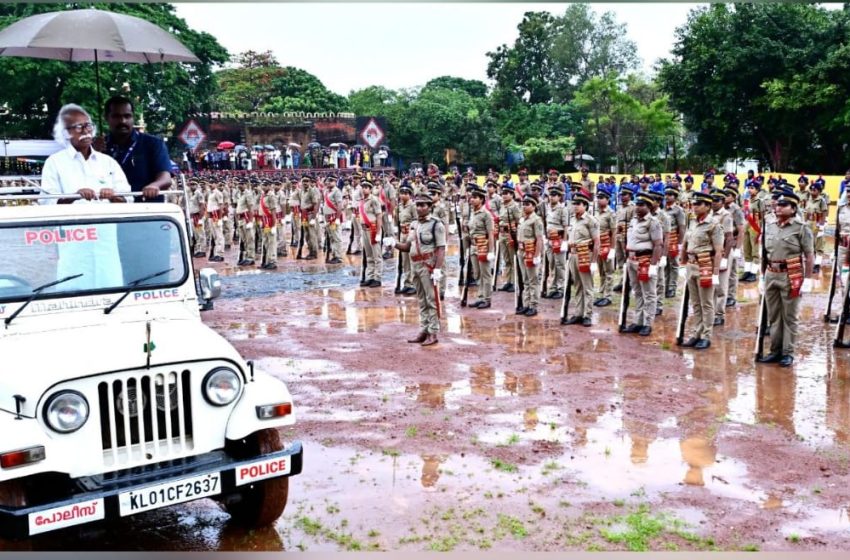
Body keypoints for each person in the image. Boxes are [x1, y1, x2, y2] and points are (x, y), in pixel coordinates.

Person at [756, 190, 815, 367]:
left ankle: (788, 352)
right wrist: (761, 276)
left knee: (789, 315)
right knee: (774, 315)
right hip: (771, 273)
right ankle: (775, 350)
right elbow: (765, 254)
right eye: (778, 204)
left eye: (784, 205)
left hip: (791, 274)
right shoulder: (770, 225)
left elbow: (809, 255)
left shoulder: (801, 228)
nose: (778, 208)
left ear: (794, 208)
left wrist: (808, 279)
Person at [389, 194, 447, 346]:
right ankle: (424, 329)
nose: (420, 208)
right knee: (421, 299)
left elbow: (441, 248)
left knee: (432, 300)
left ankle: (433, 332)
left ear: (430, 207)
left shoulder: (436, 224)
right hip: (415, 265)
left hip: (429, 265)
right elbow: (407, 247)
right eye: (418, 205)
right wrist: (393, 243)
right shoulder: (414, 225)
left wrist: (437, 269)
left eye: (423, 205)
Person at [42, 103, 130, 203]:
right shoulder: (54, 162)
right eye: (78, 127)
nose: (85, 131)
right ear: (65, 133)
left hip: (107, 217)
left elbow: (128, 198)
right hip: (73, 218)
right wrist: (73, 197)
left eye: (88, 125)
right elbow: (47, 200)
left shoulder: (108, 162)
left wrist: (113, 196)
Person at [103, 96, 172, 202]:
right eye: (116, 116)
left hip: (146, 210)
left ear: (133, 117)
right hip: (111, 211)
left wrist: (155, 185)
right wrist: (94, 151)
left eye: (127, 116)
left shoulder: (153, 143)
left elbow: (166, 179)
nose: (123, 121)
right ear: (106, 118)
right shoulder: (98, 147)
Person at [678, 191, 723, 350]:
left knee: (707, 303)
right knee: (695, 303)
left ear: (708, 206)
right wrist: (682, 264)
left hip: (705, 265)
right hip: (691, 265)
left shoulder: (714, 224)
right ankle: (697, 333)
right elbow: (685, 244)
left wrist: (716, 273)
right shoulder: (692, 221)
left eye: (698, 204)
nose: (694, 207)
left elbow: (718, 250)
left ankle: (706, 335)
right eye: (694, 204)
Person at [621, 192, 663, 336]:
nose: (638, 207)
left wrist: (653, 265)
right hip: (632, 260)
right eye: (637, 204)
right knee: (637, 292)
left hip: (645, 260)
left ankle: (647, 323)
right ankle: (638, 321)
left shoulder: (653, 222)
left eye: (641, 205)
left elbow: (658, 245)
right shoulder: (633, 220)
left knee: (649, 293)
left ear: (649, 206)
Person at [562, 189, 599, 326]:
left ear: (585, 205)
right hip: (573, 254)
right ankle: (578, 313)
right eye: (574, 203)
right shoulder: (572, 219)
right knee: (577, 285)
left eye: (578, 203)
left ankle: (587, 314)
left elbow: (596, 242)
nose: (575, 206)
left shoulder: (590, 220)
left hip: (585, 255)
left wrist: (594, 261)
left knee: (587, 286)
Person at [516, 194, 544, 316]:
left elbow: (539, 239)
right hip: (521, 251)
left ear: (534, 206)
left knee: (533, 281)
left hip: (531, 251)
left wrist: (537, 255)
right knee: (525, 280)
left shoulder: (536, 220)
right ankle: (526, 304)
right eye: (523, 204)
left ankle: (534, 305)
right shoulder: (522, 219)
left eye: (528, 204)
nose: (524, 206)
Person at [542, 184, 570, 299]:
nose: (552, 197)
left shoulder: (563, 209)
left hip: (558, 239)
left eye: (555, 195)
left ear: (559, 197)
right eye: (550, 195)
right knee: (552, 264)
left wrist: (564, 242)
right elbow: (545, 223)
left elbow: (566, 227)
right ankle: (553, 287)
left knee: (560, 265)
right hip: (549, 239)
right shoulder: (547, 208)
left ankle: (561, 288)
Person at [594, 186, 617, 307]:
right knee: (601, 271)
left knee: (609, 271)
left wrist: (613, 249)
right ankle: (602, 293)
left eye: (602, 198)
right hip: (598, 245)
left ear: (608, 199)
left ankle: (608, 296)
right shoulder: (596, 212)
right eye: (598, 197)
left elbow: (614, 232)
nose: (599, 200)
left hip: (607, 244)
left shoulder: (611, 213)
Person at [359, 180, 384, 287]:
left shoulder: (374, 200)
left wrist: (378, 233)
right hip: (364, 230)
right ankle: (370, 276)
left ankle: (377, 278)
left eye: (366, 187)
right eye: (363, 187)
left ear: (370, 189)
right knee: (368, 255)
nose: (364, 189)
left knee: (376, 256)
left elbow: (379, 216)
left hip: (373, 229)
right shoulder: (361, 201)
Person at [663, 185, 687, 298]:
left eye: (670, 195)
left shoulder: (678, 210)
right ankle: (666, 286)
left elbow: (682, 227)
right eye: (666, 195)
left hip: (674, 240)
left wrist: (680, 244)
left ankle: (672, 287)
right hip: (664, 240)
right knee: (665, 264)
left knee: (674, 265)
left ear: (675, 197)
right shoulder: (663, 209)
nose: (667, 197)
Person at [497, 184, 521, 292]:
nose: (504, 196)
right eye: (503, 194)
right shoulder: (502, 205)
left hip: (510, 234)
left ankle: (514, 281)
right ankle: (508, 281)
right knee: (506, 259)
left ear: (512, 194)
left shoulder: (514, 206)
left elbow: (518, 221)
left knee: (512, 259)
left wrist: (516, 235)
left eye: (507, 194)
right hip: (502, 234)